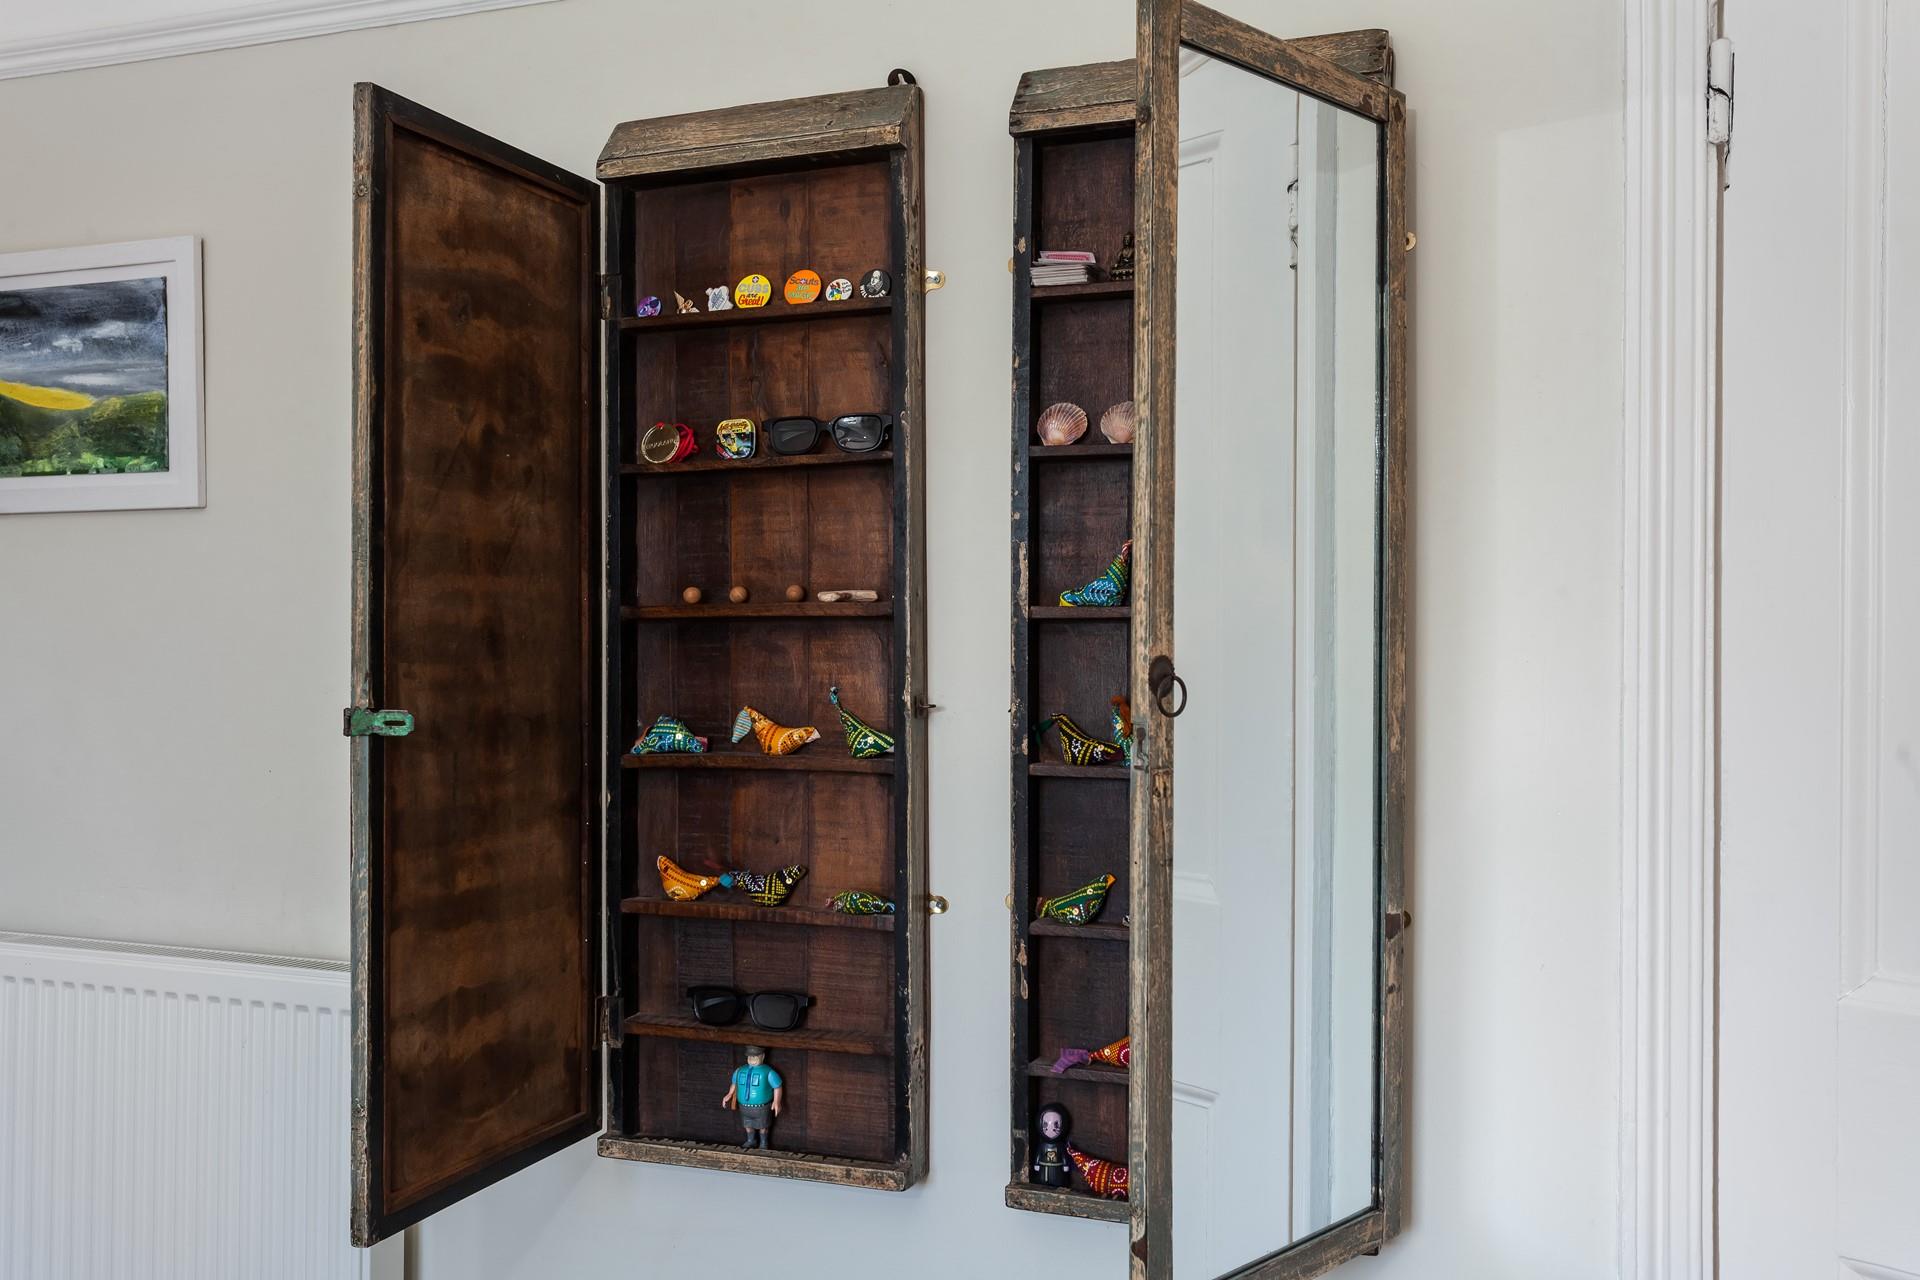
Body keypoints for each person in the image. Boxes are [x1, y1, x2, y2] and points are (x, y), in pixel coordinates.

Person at [723, 1045, 783, 1149]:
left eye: (755, 1057)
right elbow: (734, 1084)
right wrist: (729, 1094)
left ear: (762, 1056)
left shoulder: (768, 1072)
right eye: (750, 1056)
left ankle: (764, 1143)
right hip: (744, 1107)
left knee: (763, 1127)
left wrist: (777, 1101)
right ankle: (751, 1140)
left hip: (762, 1108)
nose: (752, 1059)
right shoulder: (740, 1070)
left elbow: (777, 1086)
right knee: (747, 1126)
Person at [1032, 1103, 1070, 1188]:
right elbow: (1038, 1154)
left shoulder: (1060, 1145)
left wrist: (1065, 1164)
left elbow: (1064, 1155)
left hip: (1057, 1168)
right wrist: (1037, 1163)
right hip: (1044, 1167)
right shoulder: (1043, 1145)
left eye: (1056, 1125)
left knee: (1057, 1179)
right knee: (1043, 1179)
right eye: (1045, 1125)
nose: (1051, 1129)